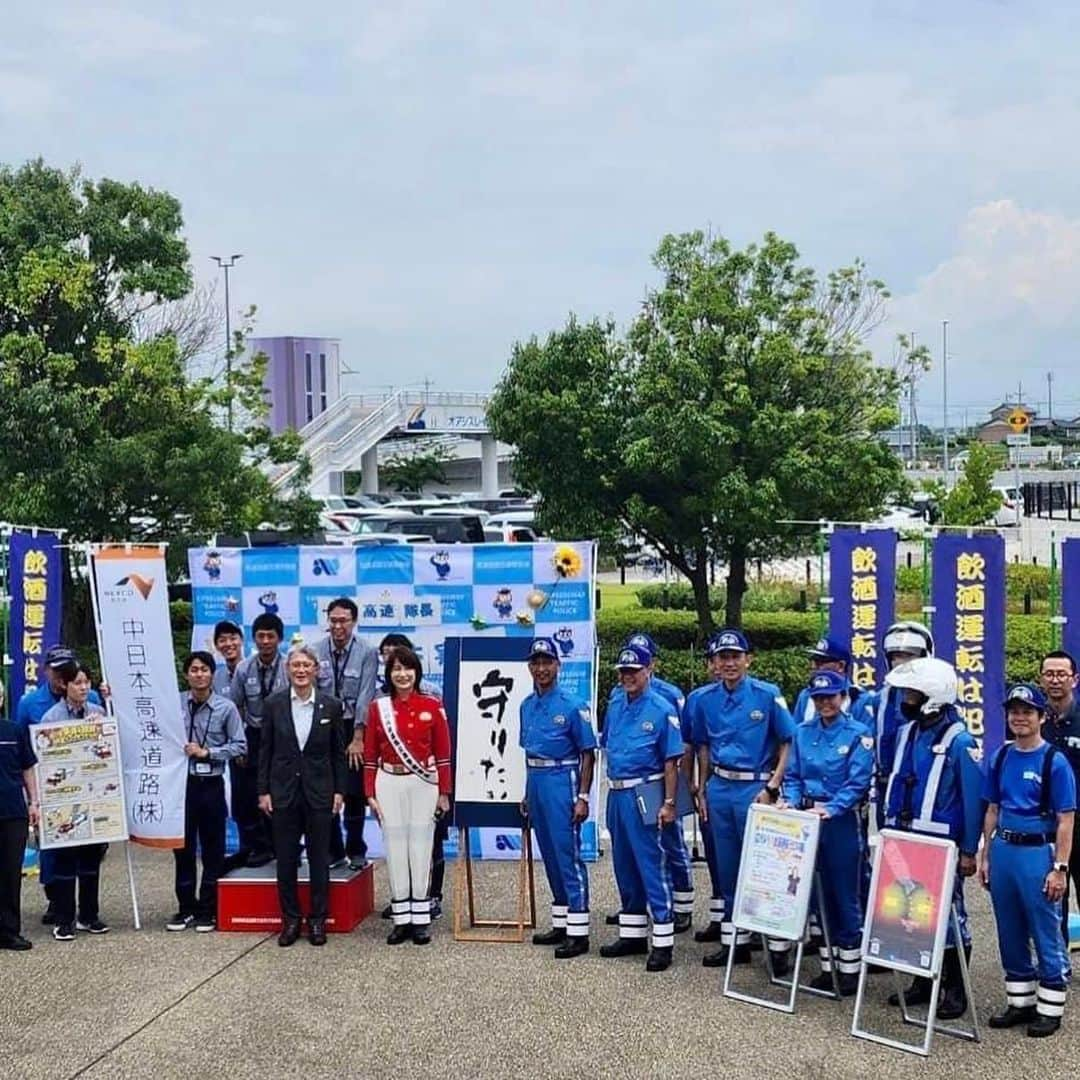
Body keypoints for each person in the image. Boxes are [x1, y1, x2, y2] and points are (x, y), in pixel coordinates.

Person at [882, 656, 983, 1021]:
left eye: (912, 693)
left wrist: (969, 850)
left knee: (952, 915)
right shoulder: (909, 732)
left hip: (942, 844)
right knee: (914, 911)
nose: (905, 699)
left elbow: (973, 801)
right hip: (906, 838)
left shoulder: (960, 742)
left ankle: (955, 987)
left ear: (933, 696)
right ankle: (923, 979)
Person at [690, 629, 796, 972]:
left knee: (766, 867)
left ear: (748, 659)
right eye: (723, 657)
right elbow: (703, 746)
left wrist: (774, 786)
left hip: (756, 788)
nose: (729, 662)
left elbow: (788, 742)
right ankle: (737, 941)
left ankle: (777, 946)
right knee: (727, 865)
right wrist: (702, 787)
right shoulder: (706, 699)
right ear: (715, 662)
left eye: (736, 656)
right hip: (721, 787)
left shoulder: (768, 695)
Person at [981, 683, 1075, 1038]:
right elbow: (992, 808)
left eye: (1027, 711)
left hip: (1039, 852)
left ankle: (1050, 1007)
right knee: (1009, 928)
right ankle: (1020, 1002)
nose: (1019, 717)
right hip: (1004, 850)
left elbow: (1066, 818)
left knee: (1045, 927)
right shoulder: (1001, 756)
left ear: (1041, 717)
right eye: (1014, 711)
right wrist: (986, 854)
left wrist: (1060, 868)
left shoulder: (1055, 761)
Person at [782, 669, 874, 995]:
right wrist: (791, 802)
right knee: (815, 890)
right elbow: (793, 775)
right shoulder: (803, 732)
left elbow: (858, 782)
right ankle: (827, 964)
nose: (825, 703)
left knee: (844, 893)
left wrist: (831, 808)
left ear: (842, 697)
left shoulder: (858, 733)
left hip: (840, 822)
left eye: (831, 697)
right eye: (819, 698)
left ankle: (850, 967)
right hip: (806, 821)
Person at [599, 644, 683, 972]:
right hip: (617, 793)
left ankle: (663, 940)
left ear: (649, 670)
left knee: (652, 864)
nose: (628, 677)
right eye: (623, 671)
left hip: (646, 790)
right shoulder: (617, 704)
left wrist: (669, 802)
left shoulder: (662, 708)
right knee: (624, 865)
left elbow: (672, 760)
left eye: (634, 671)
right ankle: (632, 934)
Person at [258, 643, 346, 947]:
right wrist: (263, 791)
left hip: (320, 793)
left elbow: (338, 753)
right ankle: (291, 920)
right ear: (288, 669)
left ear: (316, 670)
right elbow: (265, 751)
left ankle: (318, 920)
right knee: (285, 860)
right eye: (295, 665)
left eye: (306, 665)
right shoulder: (274, 704)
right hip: (283, 793)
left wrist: (339, 791)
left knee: (320, 859)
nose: (301, 670)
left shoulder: (331, 706)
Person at [363, 646, 451, 945]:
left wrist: (444, 792)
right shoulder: (379, 708)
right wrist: (369, 792)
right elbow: (371, 755)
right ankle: (401, 919)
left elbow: (443, 754)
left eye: (407, 668)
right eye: (396, 669)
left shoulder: (432, 705)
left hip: (424, 783)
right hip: (389, 781)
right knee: (395, 848)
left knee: (421, 848)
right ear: (389, 674)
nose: (402, 674)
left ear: (417, 672)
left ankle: (421, 918)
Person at [520, 636, 596, 958]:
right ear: (529, 667)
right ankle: (562, 922)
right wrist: (526, 792)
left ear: (558, 665)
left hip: (562, 780)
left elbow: (588, 754)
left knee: (567, 855)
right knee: (549, 854)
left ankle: (579, 932)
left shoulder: (573, 704)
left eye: (547, 662)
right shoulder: (526, 705)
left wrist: (582, 796)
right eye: (536, 663)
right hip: (537, 782)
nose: (541, 668)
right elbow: (529, 754)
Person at [166, 652, 247, 933]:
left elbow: (240, 745)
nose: (199, 674)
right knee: (183, 849)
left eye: (204, 669)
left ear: (212, 674)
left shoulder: (226, 708)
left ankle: (208, 909)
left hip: (211, 785)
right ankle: (185, 907)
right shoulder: (174, 703)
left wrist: (208, 752)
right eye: (194, 670)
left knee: (213, 849)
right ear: (186, 674)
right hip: (181, 786)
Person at [41, 663, 110, 940]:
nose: (83, 688)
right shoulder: (51, 718)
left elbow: (108, 753)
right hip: (64, 797)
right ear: (64, 686)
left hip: (95, 795)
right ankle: (64, 919)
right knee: (65, 861)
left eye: (86, 683)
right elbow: (45, 758)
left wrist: (101, 730)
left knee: (91, 859)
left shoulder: (98, 713)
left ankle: (89, 915)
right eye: (77, 683)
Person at [315, 598, 378, 871]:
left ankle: (356, 849)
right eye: (334, 620)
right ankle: (334, 850)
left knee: (353, 793)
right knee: (326, 791)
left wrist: (359, 737)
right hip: (324, 727)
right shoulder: (314, 650)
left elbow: (365, 694)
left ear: (354, 622)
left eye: (344, 620)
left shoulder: (367, 651)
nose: (338, 626)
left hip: (353, 726)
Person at [229, 613, 288, 869]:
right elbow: (236, 707)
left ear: (279, 639)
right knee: (251, 793)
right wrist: (239, 742)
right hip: (252, 736)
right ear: (253, 639)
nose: (265, 641)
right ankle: (260, 847)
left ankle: (284, 847)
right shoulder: (243, 668)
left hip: (283, 737)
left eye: (270, 636)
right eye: (260, 636)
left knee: (281, 793)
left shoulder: (289, 667)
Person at [865, 621, 934, 828]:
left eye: (908, 655)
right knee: (891, 855)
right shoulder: (880, 699)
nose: (901, 662)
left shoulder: (938, 698)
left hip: (924, 790)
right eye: (896, 656)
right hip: (887, 789)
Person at [1038, 650, 1080, 951]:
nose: (1055, 680)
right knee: (1054, 900)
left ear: (1074, 680)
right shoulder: (1034, 720)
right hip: (1048, 828)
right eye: (1049, 674)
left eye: (1061, 674)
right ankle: (1057, 968)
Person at [0, 695, 39, 950]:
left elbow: (28, 767)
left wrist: (34, 801)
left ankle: (8, 930)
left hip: (12, 811)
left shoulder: (13, 730)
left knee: (10, 874)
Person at [790, 637, 873, 727]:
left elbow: (866, 737)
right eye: (813, 661)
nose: (813, 666)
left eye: (820, 662)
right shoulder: (806, 695)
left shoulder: (859, 699)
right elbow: (795, 734)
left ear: (841, 666)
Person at [211, 620, 245, 695]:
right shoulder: (215, 679)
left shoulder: (255, 670)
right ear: (216, 646)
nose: (228, 644)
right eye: (222, 640)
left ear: (242, 640)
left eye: (233, 638)